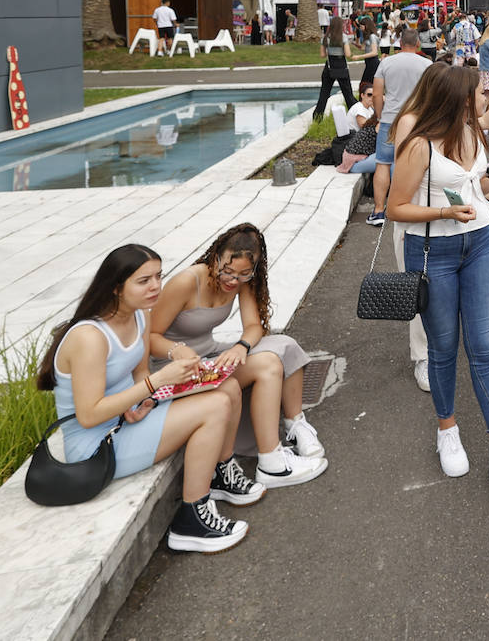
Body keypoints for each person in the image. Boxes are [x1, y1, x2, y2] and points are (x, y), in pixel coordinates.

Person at [36, 244, 253, 553]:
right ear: (115, 287)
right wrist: (156, 383)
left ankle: (221, 473)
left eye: (158, 277)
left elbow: (138, 375)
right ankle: (192, 518)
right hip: (96, 445)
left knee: (227, 388)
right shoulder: (90, 337)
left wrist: (145, 401)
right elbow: (89, 415)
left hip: (126, 420)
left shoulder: (140, 317)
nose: (156, 287)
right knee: (216, 405)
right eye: (143, 281)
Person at [385, 64, 489, 503]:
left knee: (486, 347)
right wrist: (443, 214)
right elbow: (395, 207)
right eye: (478, 94)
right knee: (444, 346)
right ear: (456, 99)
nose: (484, 100)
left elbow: (474, 192)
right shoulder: (417, 144)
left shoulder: (473, 133)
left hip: (480, 245)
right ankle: (447, 429)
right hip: (434, 251)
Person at [148, 223, 327, 487]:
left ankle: (295, 425)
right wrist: (178, 350)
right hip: (174, 366)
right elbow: (149, 337)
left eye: (243, 274)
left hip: (209, 355)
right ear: (216, 257)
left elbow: (254, 327)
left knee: (285, 345)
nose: (233, 280)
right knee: (267, 365)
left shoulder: (243, 280)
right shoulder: (187, 281)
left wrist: (240, 346)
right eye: (227, 271)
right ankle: (271, 463)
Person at [368, 28, 431, 226]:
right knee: (416, 164)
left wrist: (379, 116)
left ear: (399, 43)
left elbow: (377, 94)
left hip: (390, 119)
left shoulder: (386, 63)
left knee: (383, 164)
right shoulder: (427, 64)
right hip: (417, 120)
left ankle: (379, 210)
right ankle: (410, 206)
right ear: (418, 43)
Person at [313, 15, 357, 120]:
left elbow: (322, 55)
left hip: (329, 67)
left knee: (324, 94)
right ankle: (355, 116)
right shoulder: (343, 37)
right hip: (341, 67)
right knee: (348, 95)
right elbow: (347, 54)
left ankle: (317, 118)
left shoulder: (326, 38)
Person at [356, 16, 381, 84]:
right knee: (366, 84)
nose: (360, 28)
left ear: (366, 26)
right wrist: (355, 44)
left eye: (361, 26)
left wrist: (359, 57)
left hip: (373, 61)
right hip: (368, 62)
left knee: (365, 83)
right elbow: (363, 48)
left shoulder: (372, 36)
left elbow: (374, 52)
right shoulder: (366, 35)